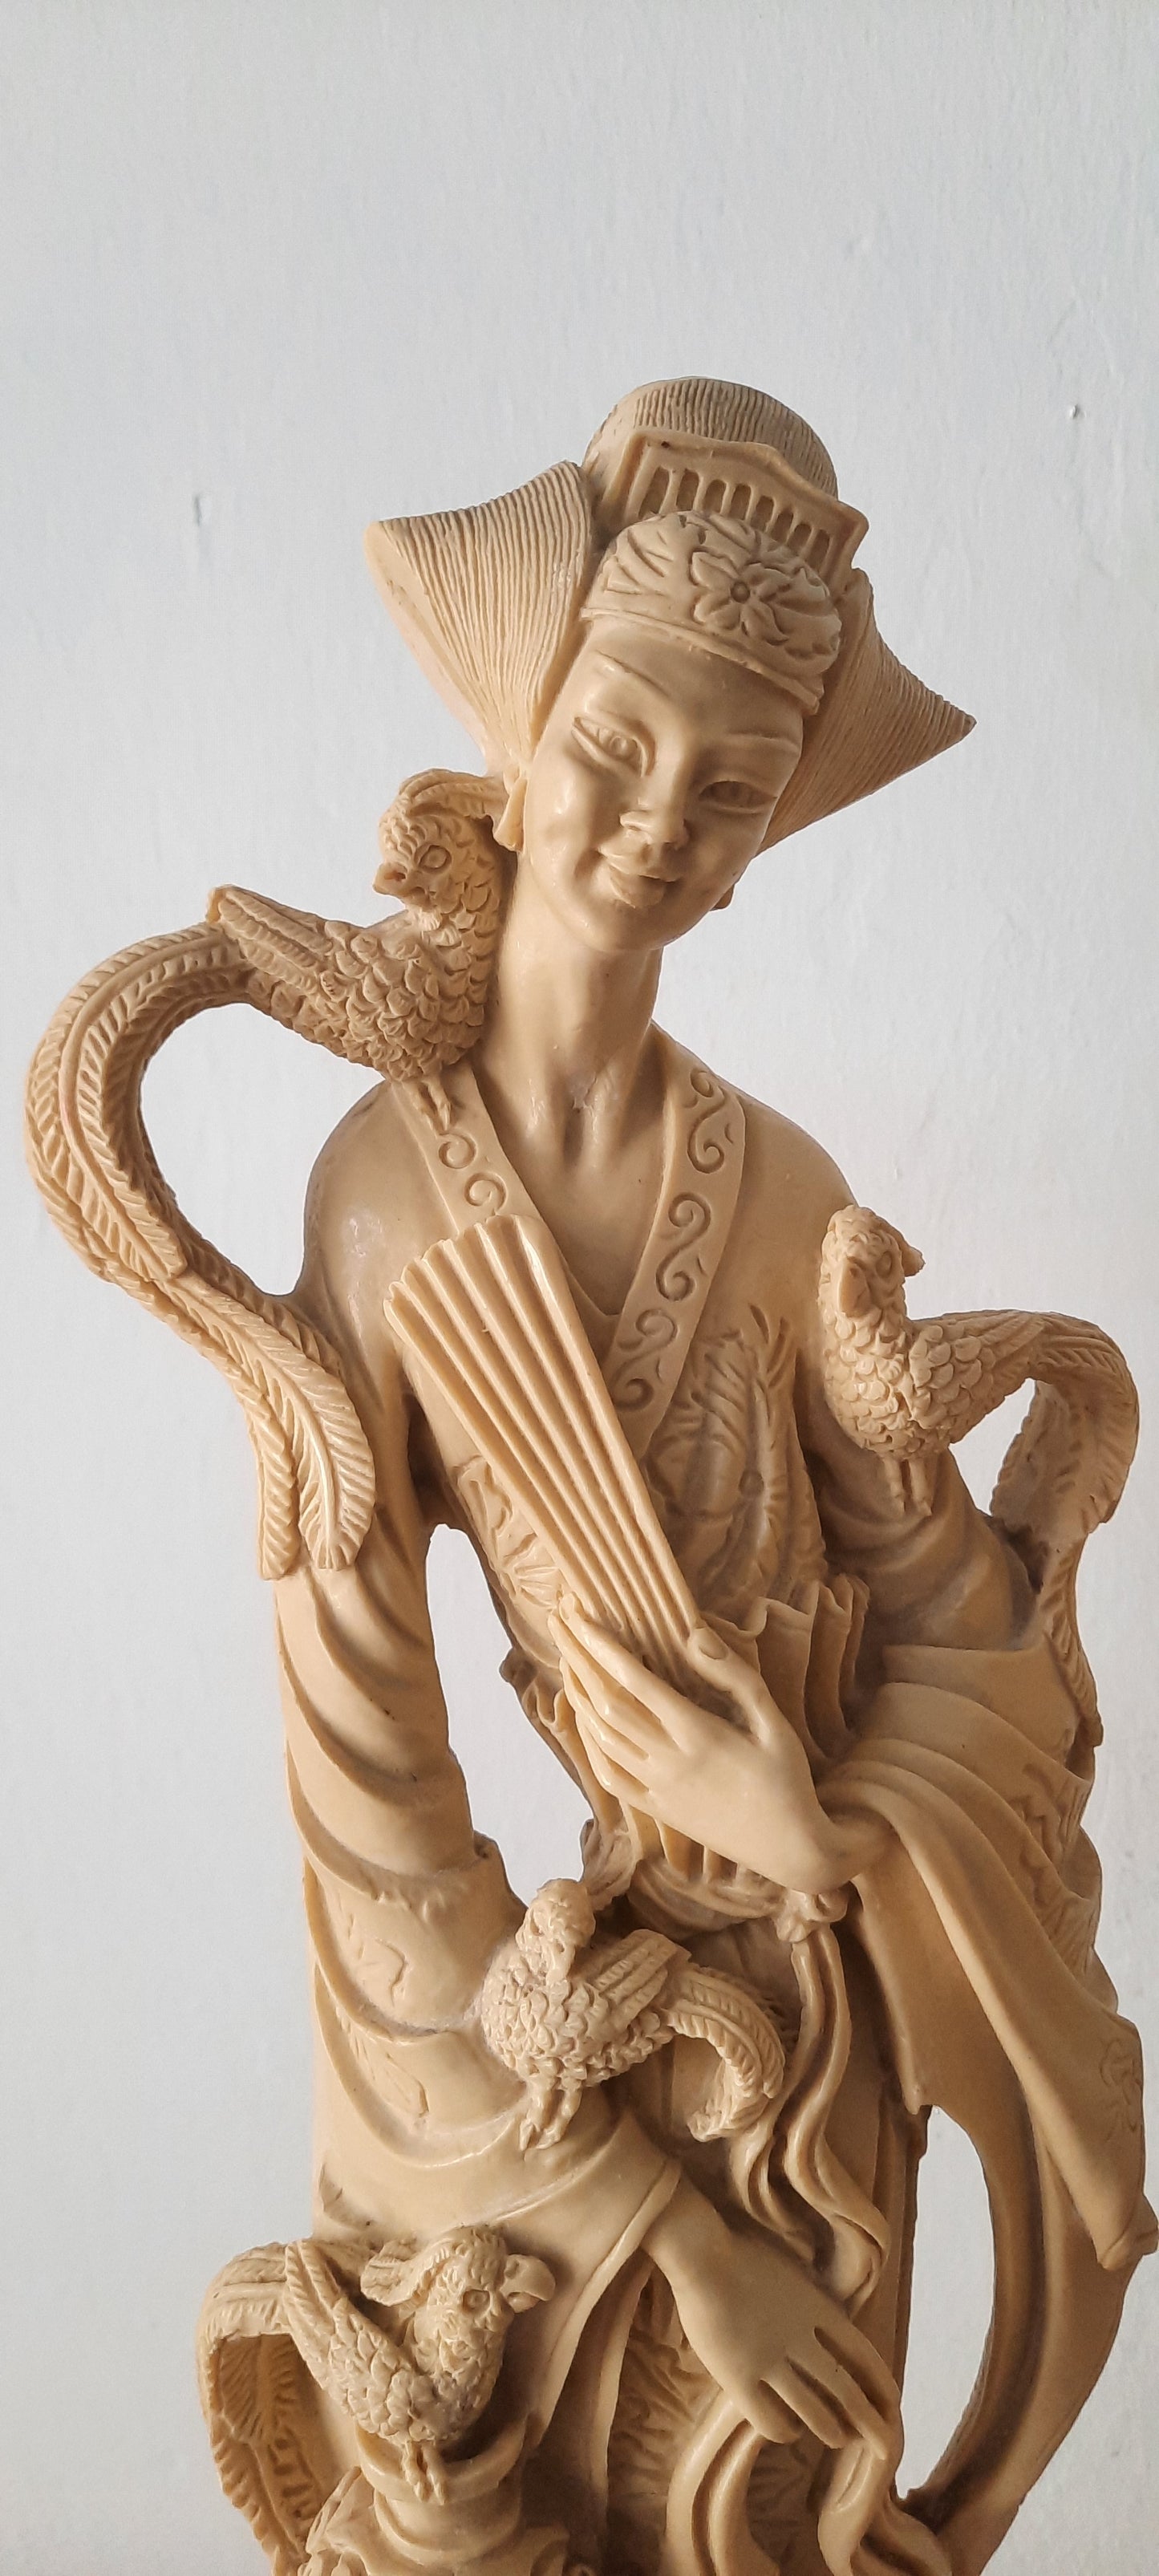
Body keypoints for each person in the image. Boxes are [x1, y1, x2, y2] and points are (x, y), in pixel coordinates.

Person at [29, 379, 1153, 2576]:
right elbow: (372, 1803)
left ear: (765, 837)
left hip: (820, 2030)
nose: (661, 823)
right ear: (522, 742)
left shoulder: (780, 1183)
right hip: (555, 2082)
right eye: (620, 746)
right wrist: (657, 2221)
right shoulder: (385, 1206)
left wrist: (821, 1830)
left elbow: (941, 1619)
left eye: (732, 790)